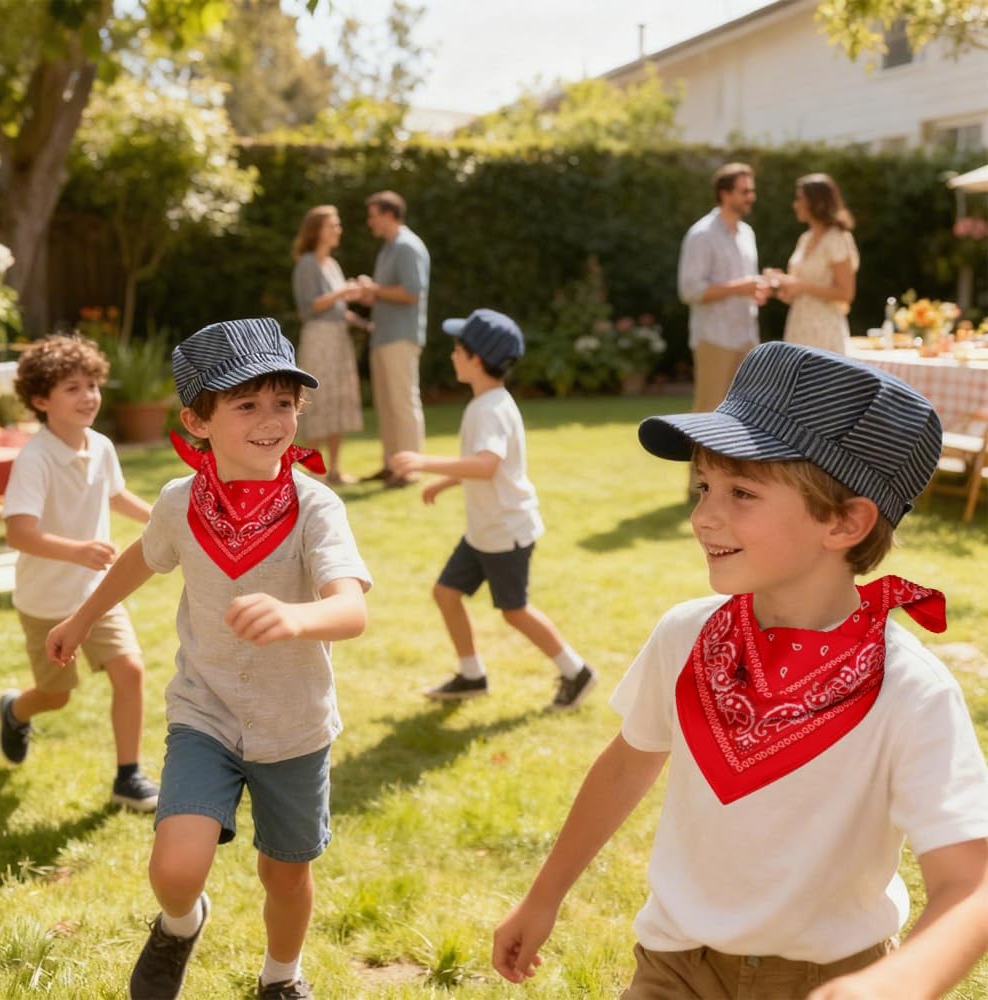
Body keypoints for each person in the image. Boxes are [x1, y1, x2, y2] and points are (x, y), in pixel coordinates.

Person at [493, 341, 988, 1000]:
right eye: (704, 486)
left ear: (845, 522)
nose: (703, 515)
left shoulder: (909, 691)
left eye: (742, 492)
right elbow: (625, 766)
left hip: (831, 976)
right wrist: (543, 896)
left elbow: (971, 883)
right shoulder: (684, 637)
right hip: (672, 966)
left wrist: (894, 984)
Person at [46, 318, 371, 1000]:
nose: (271, 419)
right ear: (197, 420)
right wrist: (80, 619)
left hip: (293, 726)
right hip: (206, 713)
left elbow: (351, 609)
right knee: (176, 865)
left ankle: (281, 977)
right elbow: (141, 560)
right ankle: (179, 921)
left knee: (284, 876)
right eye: (246, 404)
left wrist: (295, 615)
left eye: (283, 402)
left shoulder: (316, 507)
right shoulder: (178, 502)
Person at [390, 309, 596, 711]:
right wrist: (447, 482)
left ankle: (576, 671)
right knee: (446, 592)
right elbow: (484, 465)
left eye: (457, 348)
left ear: (476, 359)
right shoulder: (487, 403)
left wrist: (422, 461)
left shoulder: (490, 409)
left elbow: (487, 464)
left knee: (514, 611)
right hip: (485, 530)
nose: (452, 354)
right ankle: (472, 674)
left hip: (505, 532)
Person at [0, 334, 158, 812]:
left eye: (92, 384)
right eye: (73, 388)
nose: (89, 395)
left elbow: (114, 496)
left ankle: (128, 777)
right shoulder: (35, 458)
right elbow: (19, 533)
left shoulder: (103, 446)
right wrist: (78, 550)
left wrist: (164, 518)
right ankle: (14, 709)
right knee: (55, 696)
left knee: (130, 670)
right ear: (41, 399)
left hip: (96, 593)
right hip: (46, 602)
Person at [677, 162, 768, 415]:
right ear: (725, 194)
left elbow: (744, 285)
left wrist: (759, 290)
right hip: (715, 338)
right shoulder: (701, 235)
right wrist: (740, 288)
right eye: (745, 191)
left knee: (745, 415)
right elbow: (690, 290)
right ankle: (699, 458)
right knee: (709, 413)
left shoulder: (747, 233)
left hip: (747, 336)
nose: (752, 197)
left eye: (751, 190)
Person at [357, 190, 430, 489]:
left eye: (373, 215)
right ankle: (391, 465)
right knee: (386, 405)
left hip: (401, 337)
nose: (369, 222)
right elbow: (386, 294)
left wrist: (374, 289)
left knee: (402, 404)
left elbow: (413, 293)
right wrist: (368, 292)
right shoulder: (388, 248)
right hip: (383, 336)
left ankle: (410, 469)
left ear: (388, 215)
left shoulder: (406, 247)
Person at [291, 204, 367, 485]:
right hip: (318, 338)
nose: (338, 230)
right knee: (317, 400)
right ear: (317, 230)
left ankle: (334, 469)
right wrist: (343, 291)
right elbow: (310, 307)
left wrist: (362, 322)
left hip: (338, 338)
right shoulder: (307, 264)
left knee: (338, 400)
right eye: (332, 225)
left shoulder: (332, 264)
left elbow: (337, 307)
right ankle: (315, 473)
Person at [767, 173, 860, 354]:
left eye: (800, 199)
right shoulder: (804, 239)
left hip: (825, 330)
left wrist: (801, 286)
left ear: (816, 202)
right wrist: (780, 284)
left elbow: (846, 293)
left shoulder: (837, 238)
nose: (795, 204)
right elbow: (798, 289)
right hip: (798, 327)